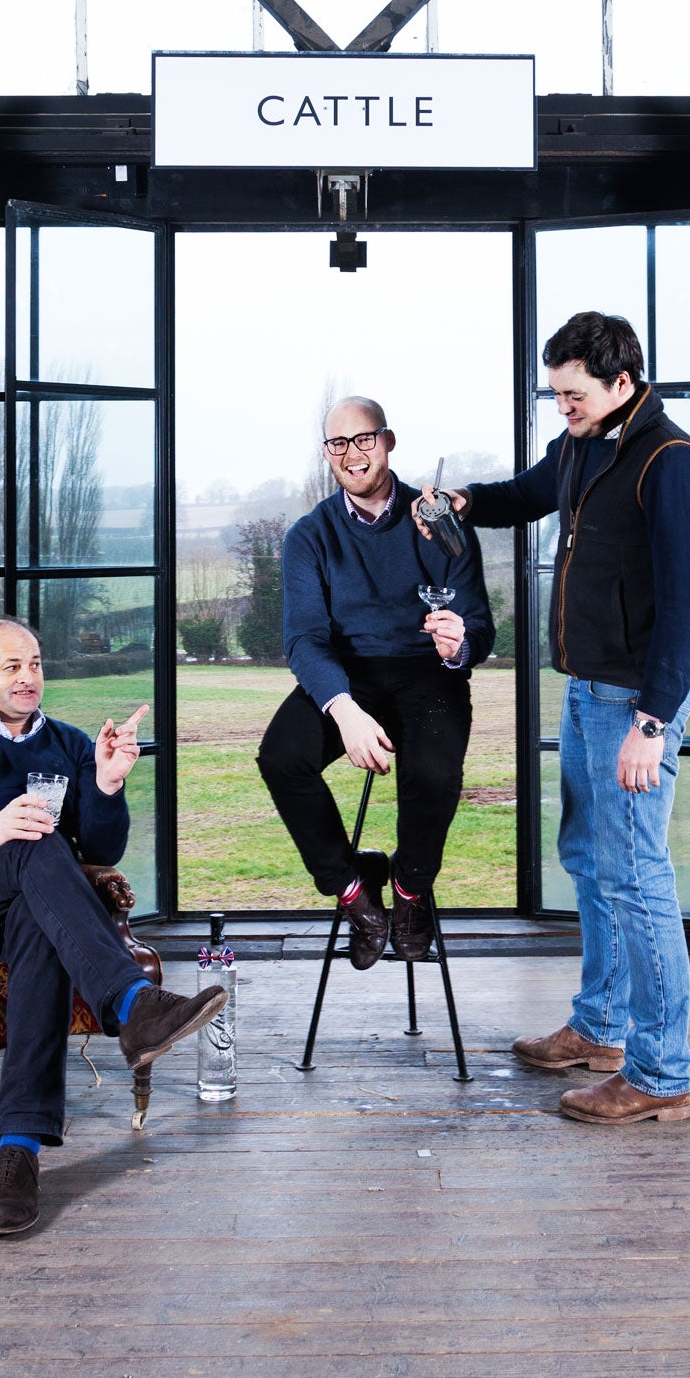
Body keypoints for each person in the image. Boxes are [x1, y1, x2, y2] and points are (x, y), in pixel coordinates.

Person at [416, 313, 690, 1124]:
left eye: (572, 394)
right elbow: (526, 493)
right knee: (590, 860)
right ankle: (601, 1028)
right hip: (587, 693)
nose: (562, 408)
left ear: (622, 383)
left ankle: (660, 1074)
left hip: (634, 705)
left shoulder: (672, 464)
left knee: (638, 878)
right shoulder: (584, 444)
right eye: (554, 394)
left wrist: (652, 723)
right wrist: (463, 500)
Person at [0, 617, 225, 1235]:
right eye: (11, 666)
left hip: (23, 911)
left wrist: (107, 781)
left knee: (42, 923)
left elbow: (102, 847)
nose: (28, 677)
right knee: (35, 842)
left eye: (36, 664)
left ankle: (18, 1154)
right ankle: (130, 1002)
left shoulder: (68, 743)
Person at [257, 396, 495, 966]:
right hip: (347, 672)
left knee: (434, 773)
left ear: (388, 441)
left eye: (364, 439)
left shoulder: (440, 520)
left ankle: (411, 891)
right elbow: (305, 640)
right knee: (280, 758)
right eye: (338, 444)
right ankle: (354, 892)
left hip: (427, 672)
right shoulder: (308, 536)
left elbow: (482, 626)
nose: (352, 454)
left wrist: (460, 643)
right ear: (326, 455)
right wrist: (344, 708)